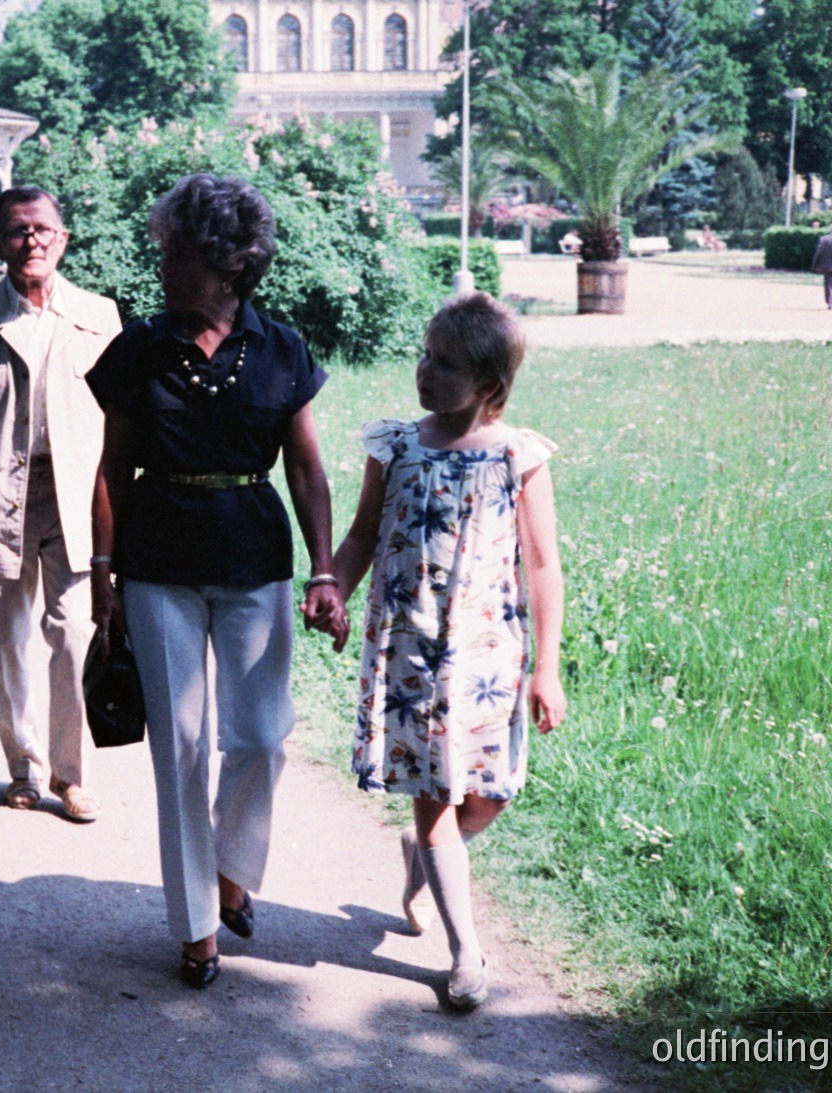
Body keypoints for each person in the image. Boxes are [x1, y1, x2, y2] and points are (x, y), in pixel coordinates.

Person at [88, 173, 344, 989]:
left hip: (252, 558)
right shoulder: (136, 349)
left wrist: (326, 567)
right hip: (157, 563)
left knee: (261, 735)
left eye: (178, 253)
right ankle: (197, 924)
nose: (161, 264)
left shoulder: (280, 348)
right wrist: (104, 568)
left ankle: (234, 866)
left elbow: (306, 471)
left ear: (229, 265)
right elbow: (110, 469)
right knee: (182, 747)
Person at [315, 293, 565, 1011]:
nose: (424, 371)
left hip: (489, 657)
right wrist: (331, 583)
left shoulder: (517, 456)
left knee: (486, 797)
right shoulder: (394, 445)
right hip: (410, 652)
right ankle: (465, 953)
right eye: (422, 355)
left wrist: (545, 666)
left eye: (445, 364)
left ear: (489, 385)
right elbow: (363, 535)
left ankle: (424, 854)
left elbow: (543, 564)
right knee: (434, 797)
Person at [0, 187, 122, 822]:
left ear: (63, 238)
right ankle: (22, 767)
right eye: (17, 232)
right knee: (5, 636)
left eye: (43, 230)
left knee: (75, 633)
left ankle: (71, 776)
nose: (32, 242)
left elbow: (118, 423)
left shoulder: (100, 315)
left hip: (76, 498)